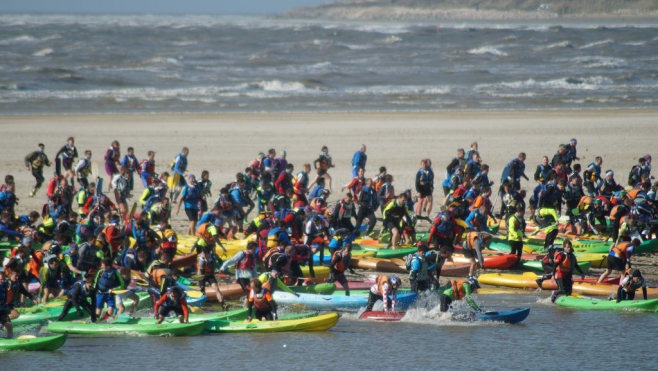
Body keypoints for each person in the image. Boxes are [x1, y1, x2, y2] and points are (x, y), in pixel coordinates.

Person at [94, 256, 125, 321]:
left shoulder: (115, 272)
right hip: (100, 293)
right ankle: (96, 321)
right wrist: (92, 291)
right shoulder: (100, 271)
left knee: (110, 311)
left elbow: (122, 284)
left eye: (102, 265)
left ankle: (102, 320)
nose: (101, 266)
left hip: (110, 294)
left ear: (107, 265)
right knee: (98, 310)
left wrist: (114, 289)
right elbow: (95, 282)